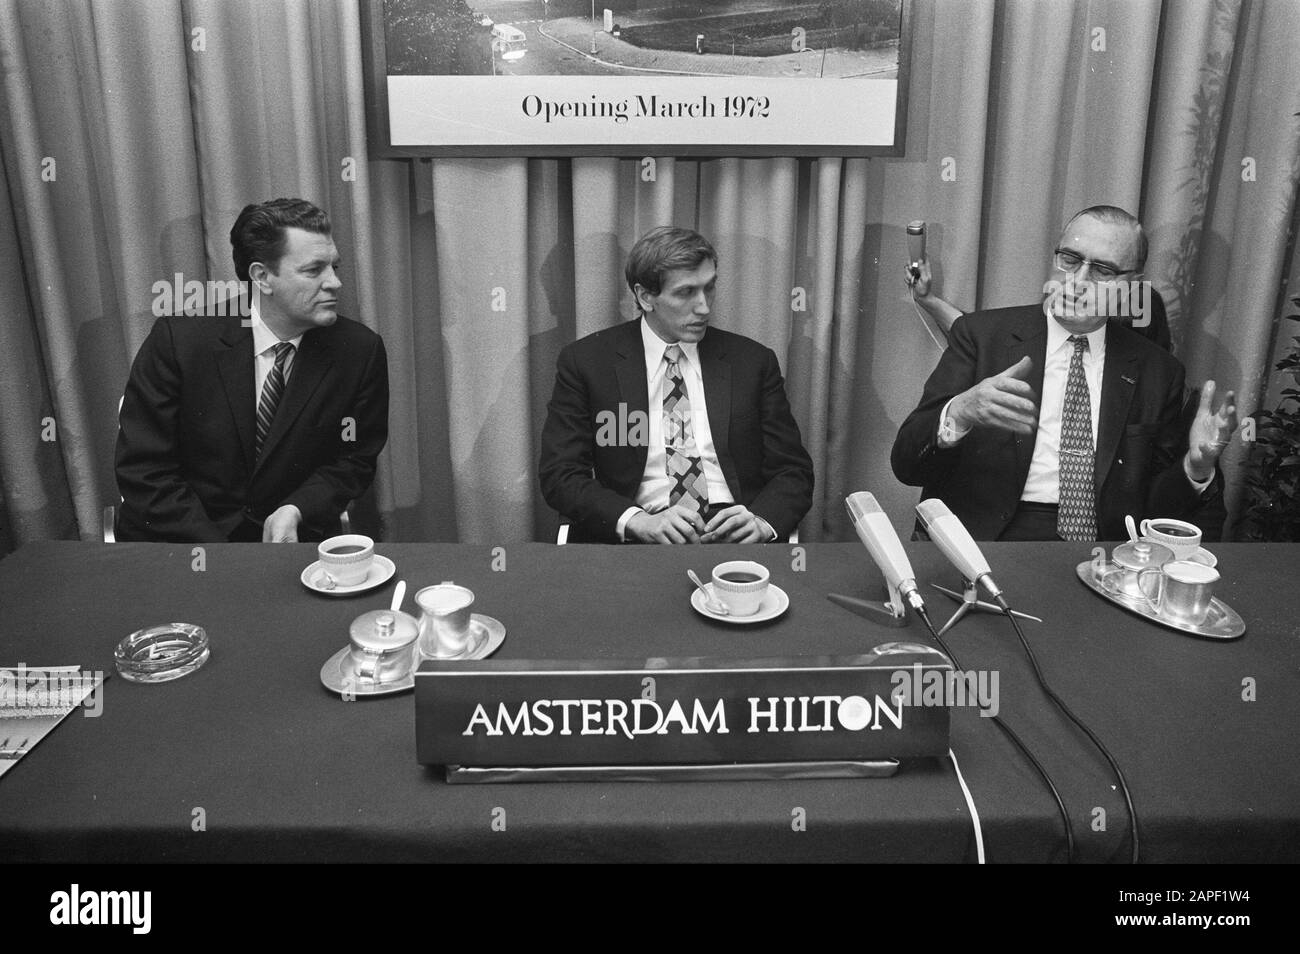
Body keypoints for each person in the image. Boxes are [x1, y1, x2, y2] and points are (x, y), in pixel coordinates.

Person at [891, 205, 1236, 542]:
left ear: (1131, 284)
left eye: (1102, 271)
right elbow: (907, 465)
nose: (1078, 281)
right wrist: (959, 413)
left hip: (1099, 549)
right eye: (1069, 260)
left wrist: (1195, 468)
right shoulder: (981, 337)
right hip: (985, 540)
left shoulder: (1158, 372)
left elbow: (1154, 511)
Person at [115, 198, 389, 543]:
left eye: (335, 267)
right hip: (183, 543)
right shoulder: (179, 342)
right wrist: (221, 557)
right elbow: (145, 470)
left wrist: (299, 508)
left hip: (289, 545)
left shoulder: (359, 351)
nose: (334, 282)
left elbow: (355, 460)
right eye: (314, 270)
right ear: (262, 276)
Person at [539, 226, 814, 544]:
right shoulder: (588, 363)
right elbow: (561, 475)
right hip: (641, 532)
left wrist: (762, 522)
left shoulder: (752, 362)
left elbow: (793, 471)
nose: (704, 307)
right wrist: (636, 521)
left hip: (733, 533)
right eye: (685, 293)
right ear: (645, 297)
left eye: (709, 288)